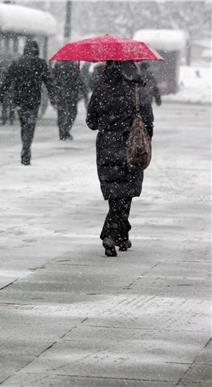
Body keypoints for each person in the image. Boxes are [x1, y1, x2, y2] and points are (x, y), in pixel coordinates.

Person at [86, 61, 154, 257]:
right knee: (126, 192)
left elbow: (91, 122)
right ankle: (111, 233)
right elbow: (148, 121)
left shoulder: (101, 88)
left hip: (107, 146)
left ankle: (120, 233)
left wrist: (107, 123)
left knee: (115, 191)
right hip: (131, 147)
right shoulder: (136, 88)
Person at [0, 39, 54, 165]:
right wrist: (53, 96)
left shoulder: (17, 62)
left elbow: (7, 79)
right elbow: (49, 81)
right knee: (30, 124)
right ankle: (26, 147)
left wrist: (1, 94)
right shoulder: (40, 63)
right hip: (34, 99)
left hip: (19, 99)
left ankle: (25, 145)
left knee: (24, 124)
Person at [50, 61, 86, 141]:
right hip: (71, 93)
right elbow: (79, 79)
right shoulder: (74, 66)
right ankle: (65, 129)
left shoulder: (57, 66)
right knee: (72, 112)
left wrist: (53, 94)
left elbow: (52, 80)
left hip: (61, 93)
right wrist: (82, 90)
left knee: (61, 112)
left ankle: (62, 131)